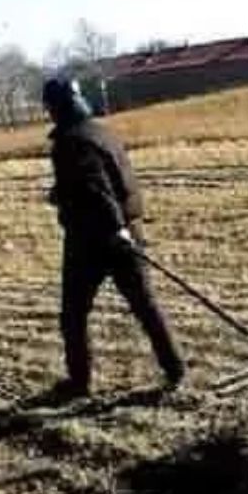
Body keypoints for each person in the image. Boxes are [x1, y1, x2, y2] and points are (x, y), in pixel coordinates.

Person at [43, 76, 185, 396]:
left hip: (93, 238)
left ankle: (79, 383)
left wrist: (114, 228)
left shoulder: (71, 140)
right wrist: (62, 193)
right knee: (145, 305)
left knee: (73, 314)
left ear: (53, 108)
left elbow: (97, 189)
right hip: (126, 228)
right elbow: (104, 180)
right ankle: (176, 370)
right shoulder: (100, 131)